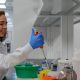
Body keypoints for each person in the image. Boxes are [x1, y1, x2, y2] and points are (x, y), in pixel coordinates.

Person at [0, 11, 44, 80]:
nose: (5, 27)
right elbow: (4, 61)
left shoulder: (1, 45)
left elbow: (8, 60)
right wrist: (30, 46)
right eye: (1, 24)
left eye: (6, 24)